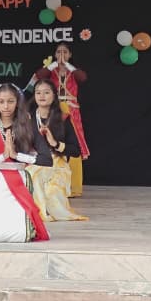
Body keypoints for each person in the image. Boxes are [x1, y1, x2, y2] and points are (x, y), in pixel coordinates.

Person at [0, 84, 53, 243]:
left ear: (17, 102)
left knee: (21, 235)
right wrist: (1, 157)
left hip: (20, 179)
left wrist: (17, 156)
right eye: (1, 102)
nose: (6, 106)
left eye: (10, 101)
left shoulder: (27, 126)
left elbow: (47, 159)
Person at [28, 79, 88, 222]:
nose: (42, 96)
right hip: (33, 162)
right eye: (38, 93)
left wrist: (55, 144)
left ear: (54, 95)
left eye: (46, 92)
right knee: (32, 178)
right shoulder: (27, 118)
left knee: (52, 192)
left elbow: (75, 150)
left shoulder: (63, 118)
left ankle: (46, 212)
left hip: (57, 165)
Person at [36, 42, 90, 197]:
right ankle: (52, 183)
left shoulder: (74, 72)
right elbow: (39, 76)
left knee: (74, 145)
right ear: (54, 54)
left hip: (72, 111)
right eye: (59, 52)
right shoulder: (51, 71)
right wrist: (55, 64)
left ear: (70, 55)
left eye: (65, 52)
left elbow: (83, 78)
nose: (61, 55)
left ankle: (74, 187)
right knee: (54, 142)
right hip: (55, 110)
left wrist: (67, 65)